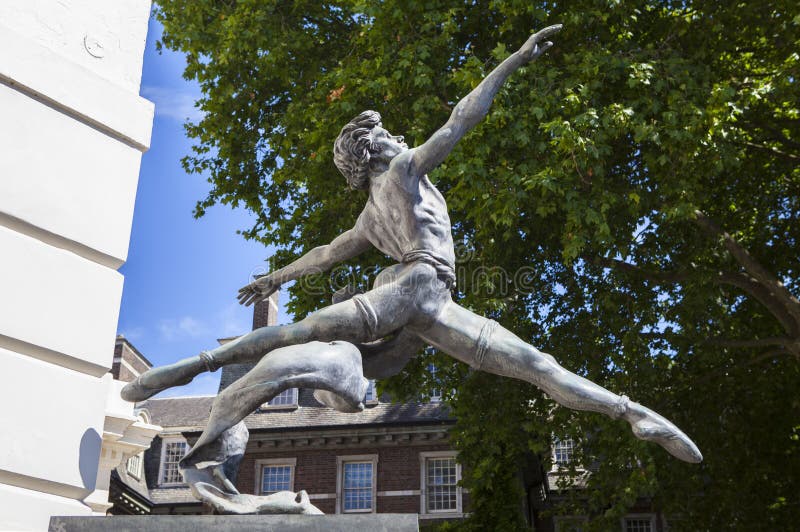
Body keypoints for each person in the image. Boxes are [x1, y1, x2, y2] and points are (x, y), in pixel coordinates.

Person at [123, 25, 702, 463]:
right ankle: (193, 365)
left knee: (537, 365)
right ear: (377, 147)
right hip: (414, 286)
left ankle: (633, 414)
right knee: (310, 330)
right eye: (391, 133)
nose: (401, 135)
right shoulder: (401, 171)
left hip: (434, 306)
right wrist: (514, 60)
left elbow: (325, 254)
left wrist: (277, 278)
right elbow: (458, 121)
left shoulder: (371, 217)